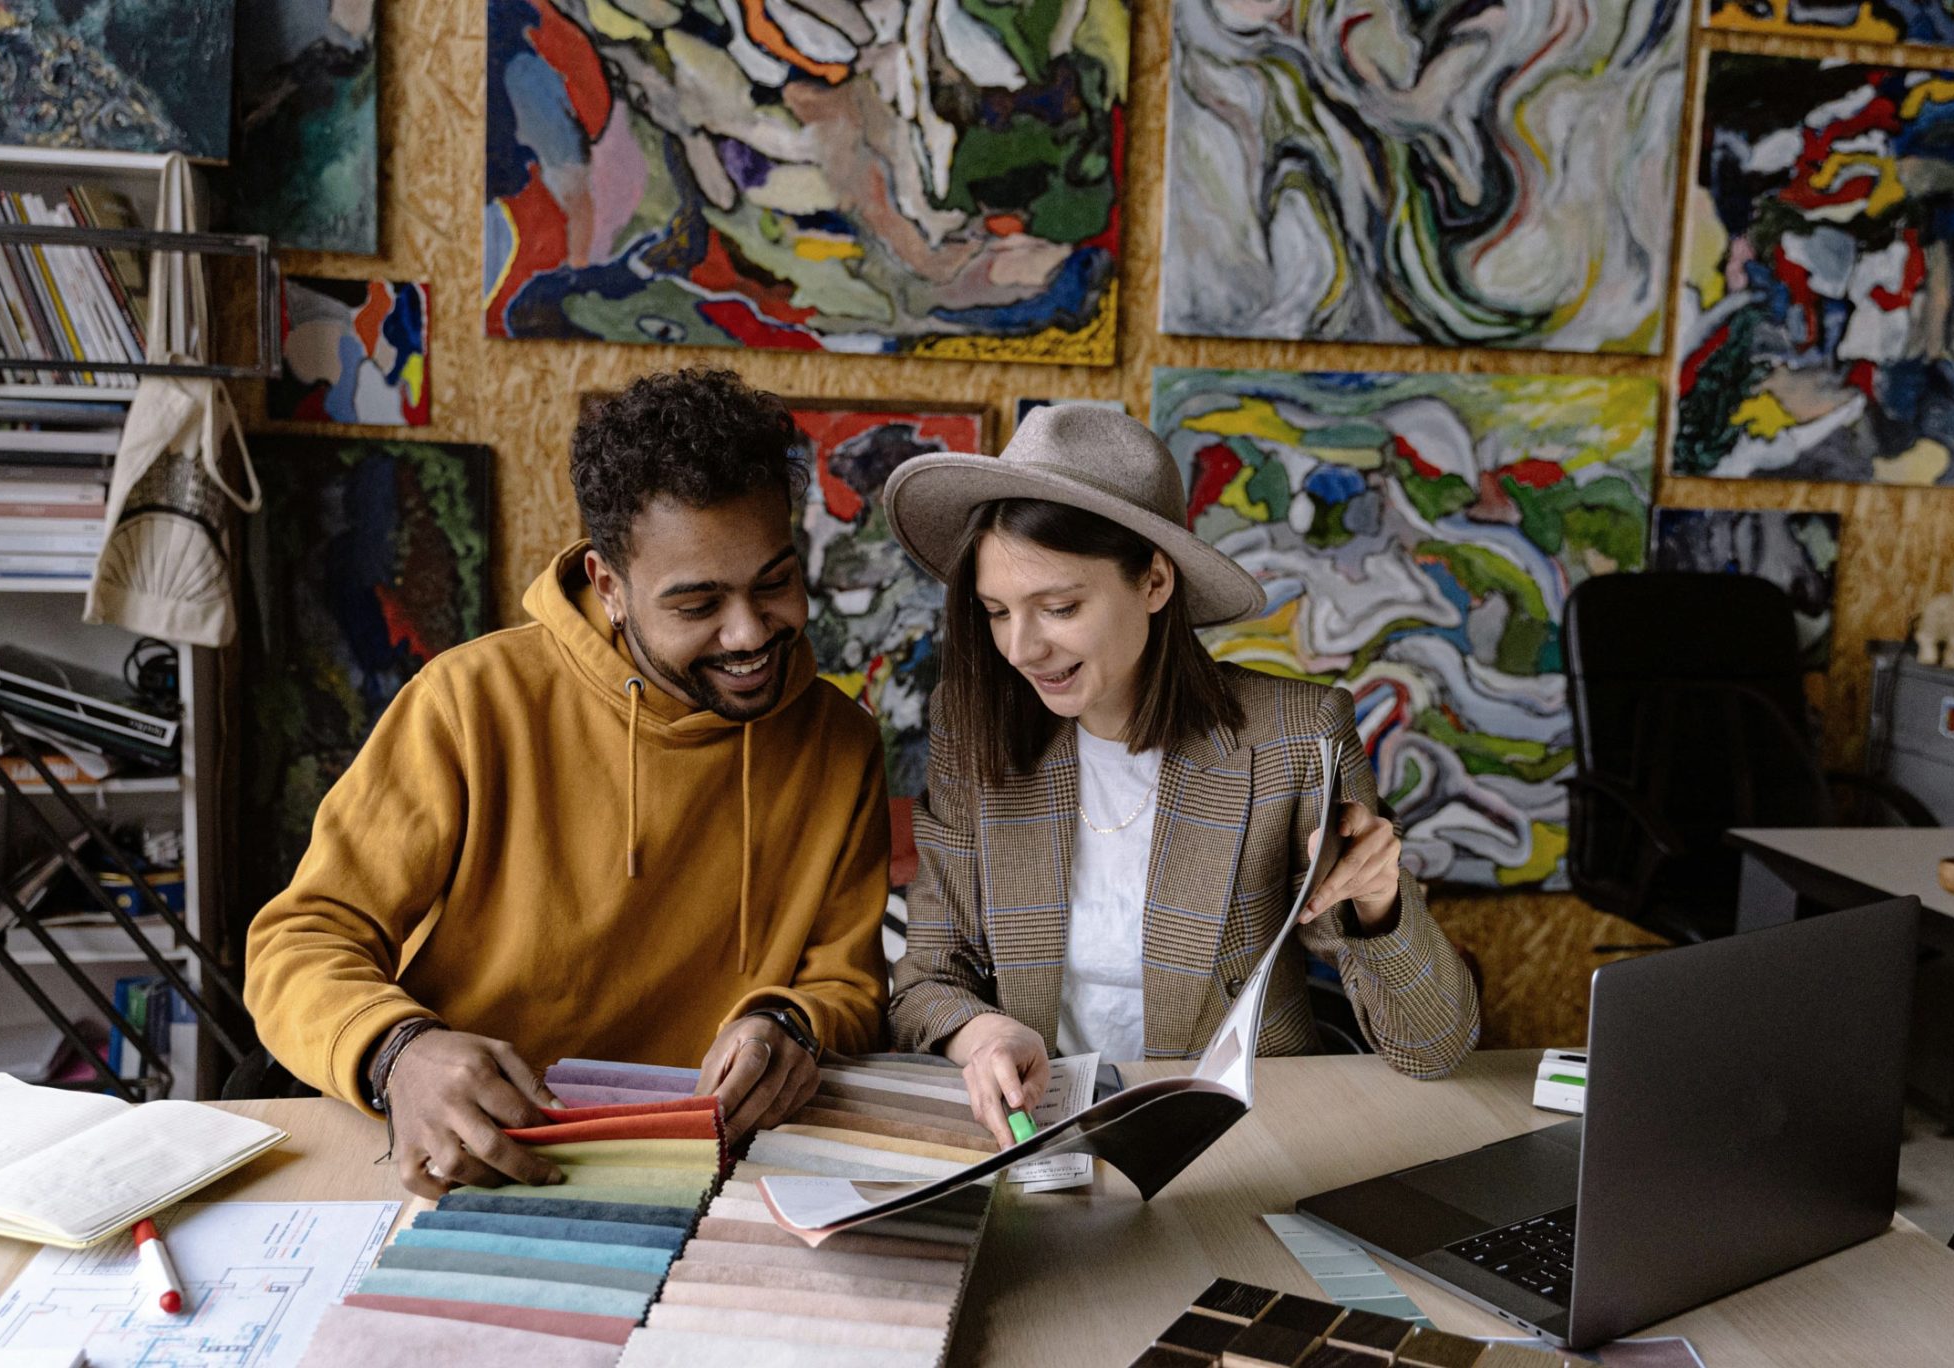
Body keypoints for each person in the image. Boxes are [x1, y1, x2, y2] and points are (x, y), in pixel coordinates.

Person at [245, 369, 890, 1196]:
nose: (748, 634)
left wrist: (790, 1025)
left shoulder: (841, 743)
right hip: (470, 1160)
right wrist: (397, 1052)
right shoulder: (469, 703)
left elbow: (847, 984)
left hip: (710, 1168)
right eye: (698, 605)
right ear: (609, 586)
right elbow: (299, 943)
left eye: (774, 583)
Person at [883, 404, 1480, 1144]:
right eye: (997, 612)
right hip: (1038, 1134)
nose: (1021, 649)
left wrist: (1381, 902)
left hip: (1249, 1139)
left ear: (1155, 582)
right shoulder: (972, 728)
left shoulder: (1294, 737)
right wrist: (985, 1036)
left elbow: (1433, 1049)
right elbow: (927, 981)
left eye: (1059, 607)